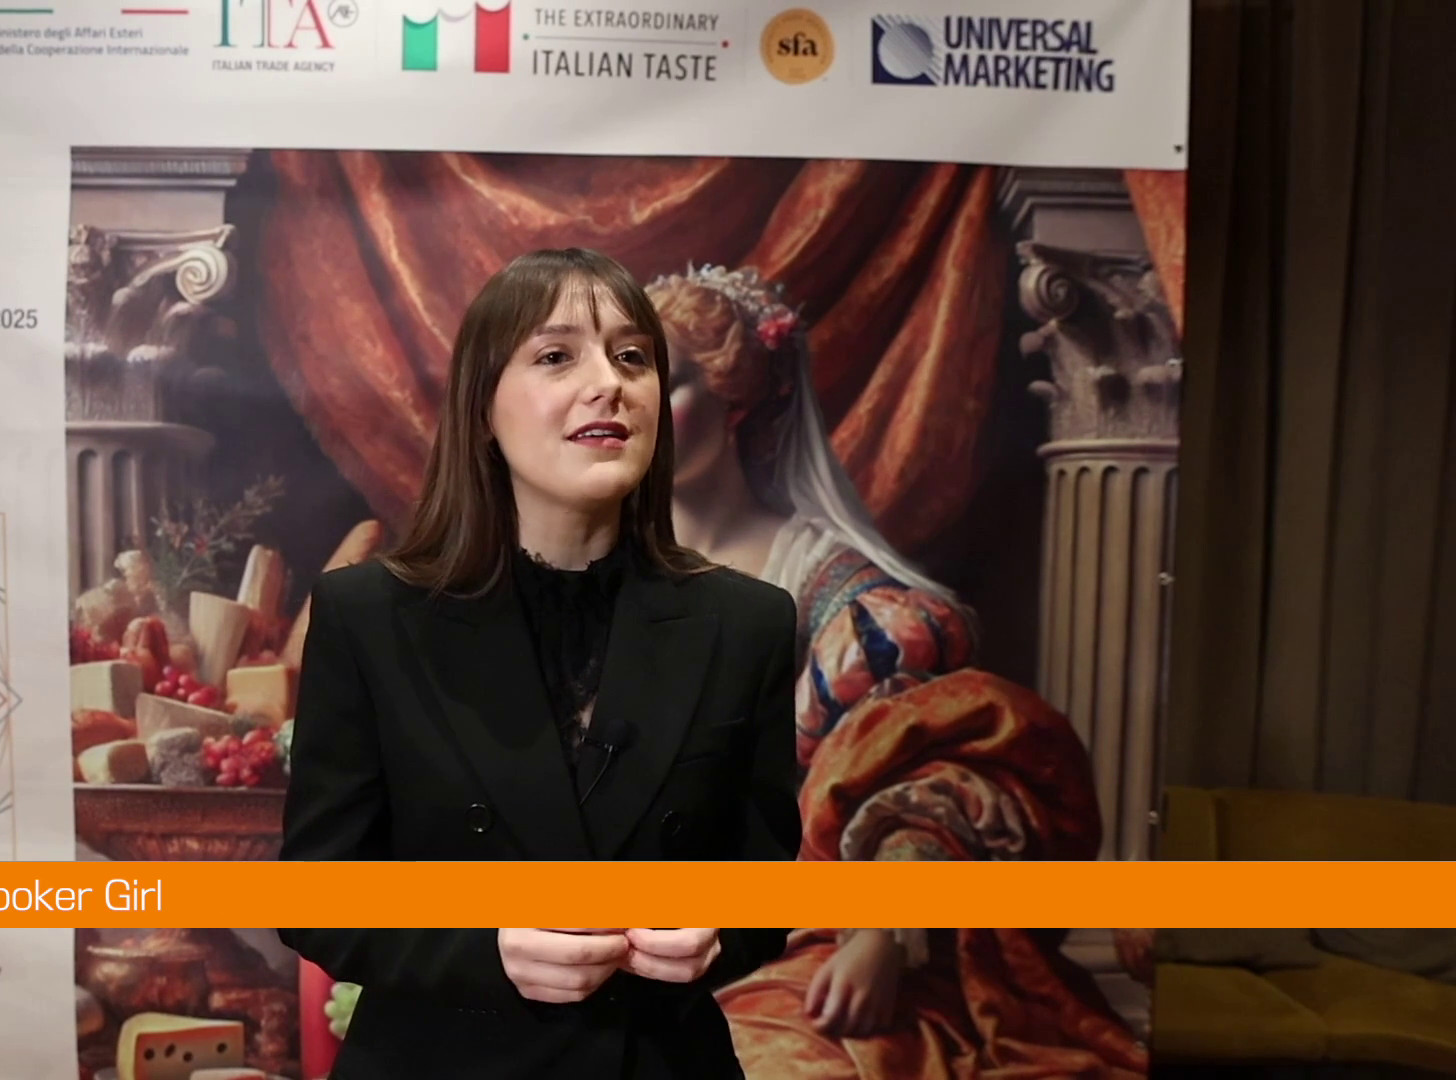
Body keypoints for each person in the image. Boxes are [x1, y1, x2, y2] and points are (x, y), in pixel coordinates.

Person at [278, 248, 804, 1080]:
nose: (609, 384)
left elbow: (764, 887)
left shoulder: (749, 624)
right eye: (558, 356)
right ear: (483, 407)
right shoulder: (368, 617)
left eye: (632, 358)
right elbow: (317, 896)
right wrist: (485, 953)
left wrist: (719, 938)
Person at [645, 266, 1140, 1077]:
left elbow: (930, 766)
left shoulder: (834, 594)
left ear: (736, 397)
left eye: (662, 383)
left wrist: (880, 935)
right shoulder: (584, 574)